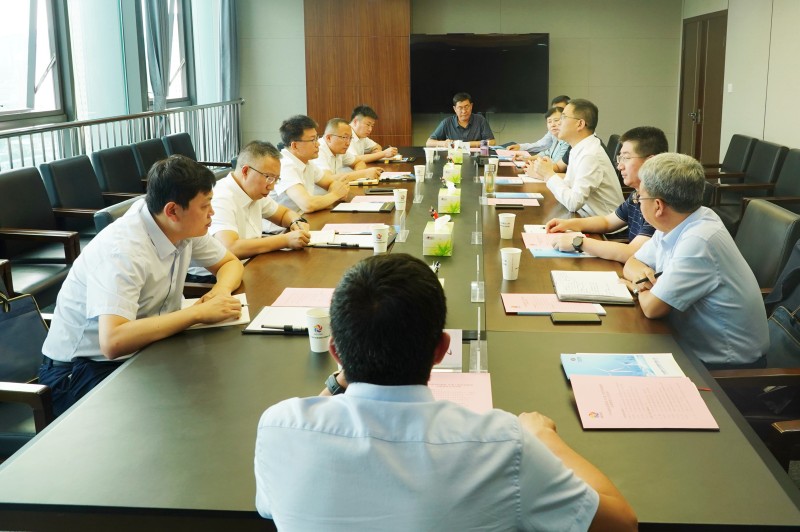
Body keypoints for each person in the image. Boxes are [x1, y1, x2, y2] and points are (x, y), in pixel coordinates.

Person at [254, 253, 638, 531]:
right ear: (441, 350)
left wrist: (340, 380)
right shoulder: (503, 445)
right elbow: (622, 523)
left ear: (336, 351)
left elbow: (269, 508)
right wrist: (544, 439)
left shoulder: (279, 428)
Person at [40, 155, 245, 416]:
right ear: (172, 210)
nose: (212, 213)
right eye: (205, 206)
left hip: (147, 347)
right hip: (82, 371)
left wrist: (220, 292)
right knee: (188, 411)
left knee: (220, 387)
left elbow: (230, 263)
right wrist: (197, 313)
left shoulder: (179, 225)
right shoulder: (123, 250)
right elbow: (113, 341)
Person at [622, 153, 769, 369]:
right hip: (684, 342)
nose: (637, 201)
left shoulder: (699, 240)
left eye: (639, 197)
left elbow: (653, 308)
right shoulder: (680, 220)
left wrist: (637, 287)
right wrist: (643, 280)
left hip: (725, 368)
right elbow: (632, 262)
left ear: (658, 206)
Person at [186, 141, 311, 282]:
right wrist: (285, 240)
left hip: (249, 263)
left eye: (276, 179)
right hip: (213, 277)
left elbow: (283, 214)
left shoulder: (254, 191)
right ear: (246, 171)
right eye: (269, 177)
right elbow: (230, 248)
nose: (272, 186)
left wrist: (296, 222)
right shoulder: (221, 197)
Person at [546, 126, 668, 263]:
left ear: (650, 162)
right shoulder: (637, 194)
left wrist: (579, 242)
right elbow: (607, 222)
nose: (620, 166)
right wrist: (568, 224)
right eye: (620, 158)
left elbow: (633, 252)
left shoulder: (657, 202)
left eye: (626, 158)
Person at [532, 99, 623, 217]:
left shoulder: (590, 154)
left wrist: (548, 174)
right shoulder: (578, 147)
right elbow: (569, 186)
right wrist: (546, 172)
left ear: (580, 124)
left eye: (563, 117)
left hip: (605, 225)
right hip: (585, 215)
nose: (559, 123)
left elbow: (573, 203)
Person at [271, 114, 350, 213]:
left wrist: (336, 192)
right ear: (295, 146)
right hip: (287, 223)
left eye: (317, 138)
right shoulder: (284, 165)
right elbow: (307, 205)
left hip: (302, 218)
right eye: (313, 140)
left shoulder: (307, 163)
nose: (318, 144)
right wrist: (335, 195)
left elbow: (331, 183)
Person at [313, 118, 385, 182]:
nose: (348, 143)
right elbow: (327, 179)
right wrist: (362, 174)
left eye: (350, 138)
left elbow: (359, 162)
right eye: (344, 137)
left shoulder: (339, 150)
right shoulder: (318, 150)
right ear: (329, 138)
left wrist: (360, 174)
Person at [426, 92, 496, 148]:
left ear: (471, 106)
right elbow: (429, 142)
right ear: (455, 109)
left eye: (466, 107)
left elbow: (492, 142)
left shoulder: (480, 120)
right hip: (453, 159)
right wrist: (444, 143)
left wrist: (466, 144)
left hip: (476, 158)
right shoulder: (447, 122)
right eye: (460, 108)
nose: (464, 111)